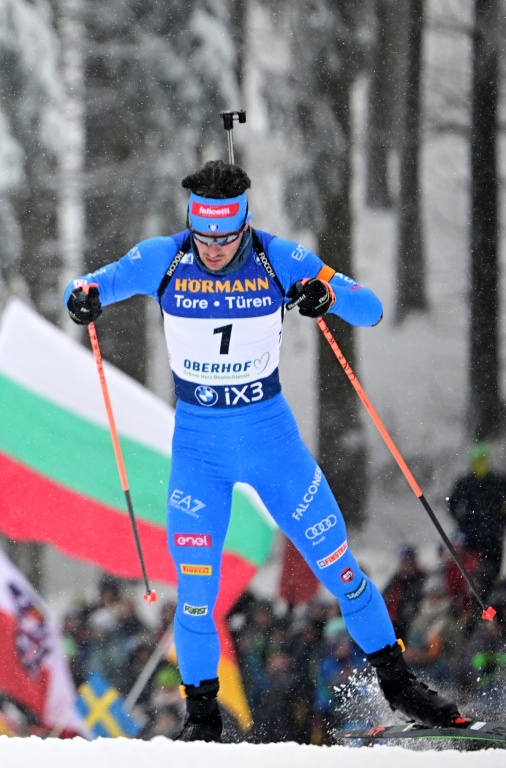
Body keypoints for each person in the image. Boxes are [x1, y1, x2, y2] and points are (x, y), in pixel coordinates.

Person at [64, 159, 463, 742]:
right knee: (196, 599)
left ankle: (402, 689)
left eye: (226, 238)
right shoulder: (163, 257)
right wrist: (84, 299)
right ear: (191, 224)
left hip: (271, 444)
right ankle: (202, 724)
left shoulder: (280, 258)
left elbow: (370, 307)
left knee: (342, 571)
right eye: (205, 237)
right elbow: (88, 285)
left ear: (245, 225)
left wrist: (325, 295)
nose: (215, 249)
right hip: (199, 451)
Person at [448, 443, 506, 592]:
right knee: (471, 572)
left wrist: (499, 521)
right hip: (472, 537)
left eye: (482, 460)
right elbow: (452, 504)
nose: (480, 465)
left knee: (492, 573)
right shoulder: (465, 483)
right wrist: (463, 523)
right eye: (477, 461)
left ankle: (489, 601)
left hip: (493, 536)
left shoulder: (498, 482)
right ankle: (473, 602)